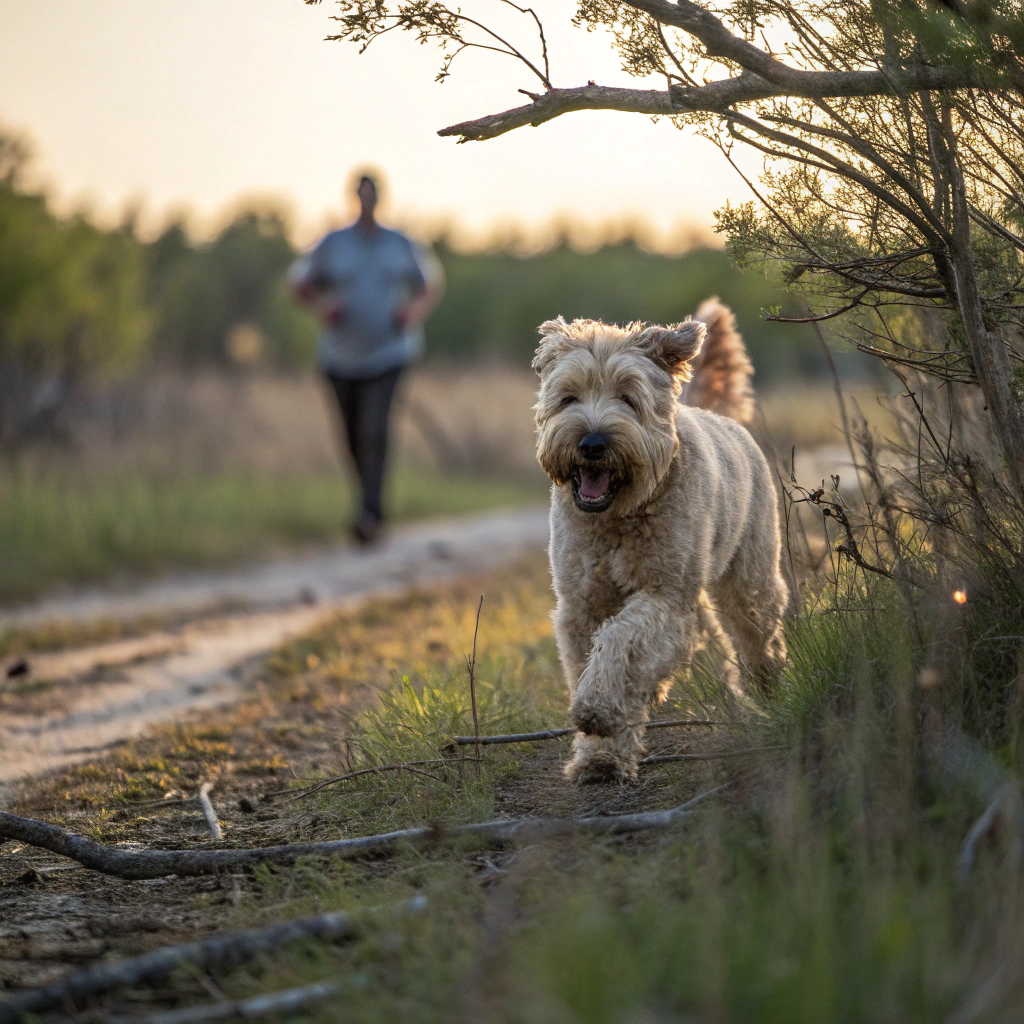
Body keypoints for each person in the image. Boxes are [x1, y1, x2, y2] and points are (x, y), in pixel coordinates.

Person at [290, 173, 444, 544]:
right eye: (361, 197)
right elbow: (298, 283)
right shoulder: (332, 244)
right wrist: (322, 306)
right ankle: (368, 506)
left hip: (389, 353)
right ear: (353, 199)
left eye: (372, 197)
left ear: (379, 199)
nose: (366, 204)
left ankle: (370, 514)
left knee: (374, 429)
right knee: (351, 436)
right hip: (340, 357)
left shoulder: (400, 243)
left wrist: (412, 312)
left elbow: (431, 284)